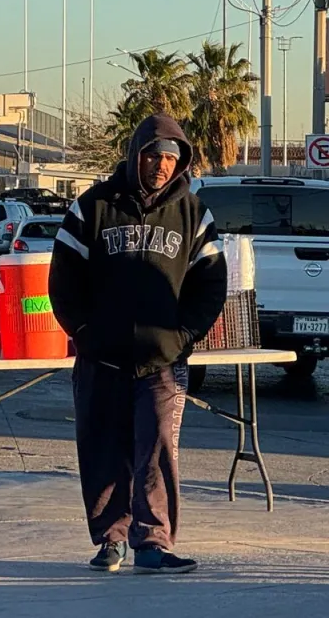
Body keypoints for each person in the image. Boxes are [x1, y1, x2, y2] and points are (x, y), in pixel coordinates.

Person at [49, 113, 226, 575]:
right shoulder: (92, 207)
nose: (162, 165)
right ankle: (111, 539)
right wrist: (85, 334)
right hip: (100, 358)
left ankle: (153, 544)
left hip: (162, 364)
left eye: (171, 157)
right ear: (136, 155)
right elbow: (63, 280)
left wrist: (183, 337)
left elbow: (210, 283)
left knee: (156, 452)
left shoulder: (193, 213)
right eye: (154, 155)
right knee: (103, 449)